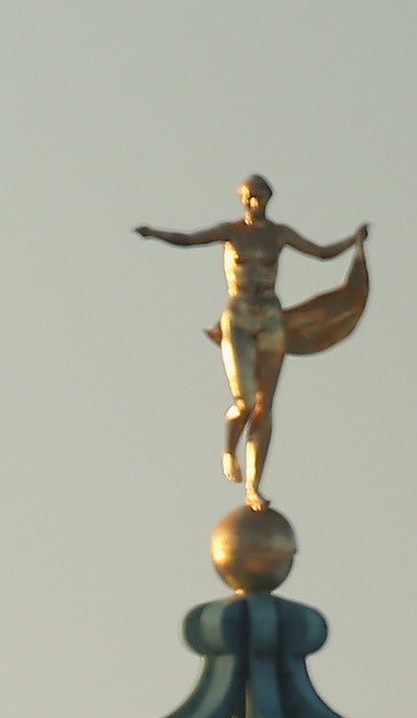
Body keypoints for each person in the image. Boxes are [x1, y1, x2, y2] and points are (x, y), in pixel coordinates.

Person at [137, 176, 371, 501]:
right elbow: (190, 240)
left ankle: (253, 487)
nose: (255, 203)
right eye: (250, 197)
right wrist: (155, 233)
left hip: (271, 317)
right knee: (245, 401)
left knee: (264, 406)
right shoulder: (231, 232)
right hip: (240, 316)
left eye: (260, 197)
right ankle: (229, 451)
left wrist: (353, 241)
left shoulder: (279, 234)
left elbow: (319, 253)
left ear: (268, 199)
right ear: (242, 200)